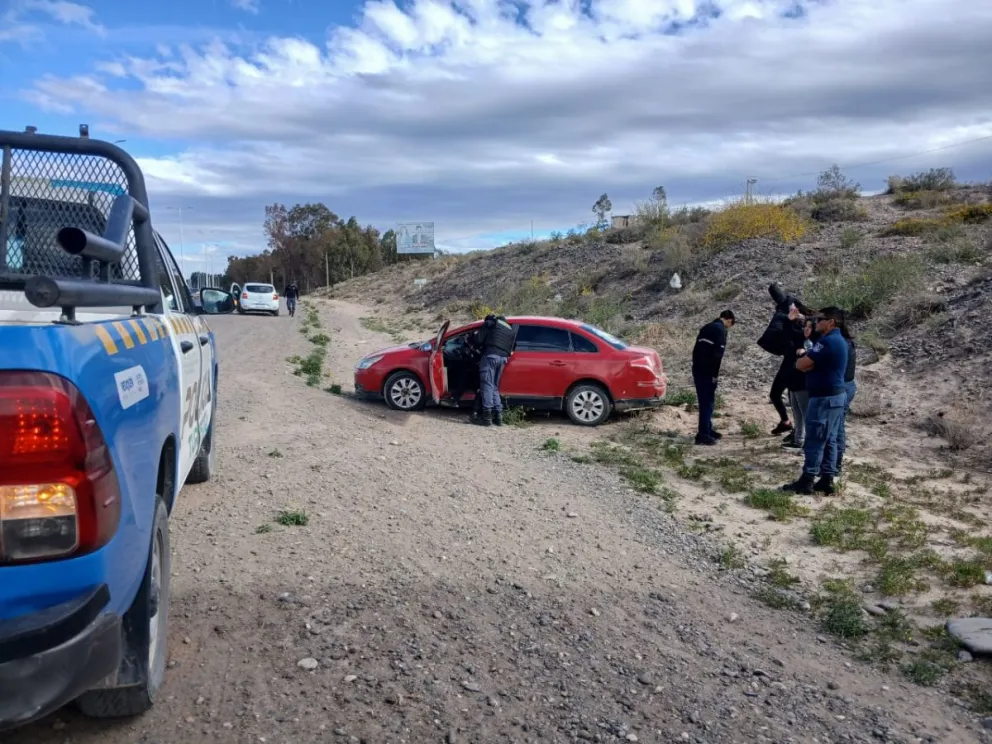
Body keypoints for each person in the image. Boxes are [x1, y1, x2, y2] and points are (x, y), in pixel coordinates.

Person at [781, 306, 849, 495]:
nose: (816, 322)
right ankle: (826, 479)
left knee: (815, 439)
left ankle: (807, 480)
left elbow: (801, 364)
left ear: (831, 322)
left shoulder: (827, 342)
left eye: (820, 319)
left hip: (824, 398)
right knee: (830, 439)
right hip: (834, 396)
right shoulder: (837, 340)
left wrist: (807, 362)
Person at [760, 284, 811, 437]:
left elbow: (775, 337)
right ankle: (793, 428)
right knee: (793, 398)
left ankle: (794, 429)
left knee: (787, 397)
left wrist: (789, 321)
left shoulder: (787, 317)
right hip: (797, 362)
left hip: (794, 363)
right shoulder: (798, 315)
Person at [691, 310, 736, 445]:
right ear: (728, 320)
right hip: (707, 371)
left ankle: (708, 429)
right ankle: (703, 435)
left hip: (698, 368)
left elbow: (696, 350)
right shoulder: (720, 330)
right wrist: (714, 375)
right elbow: (717, 356)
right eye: (731, 324)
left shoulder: (707, 327)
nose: (729, 327)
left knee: (705, 401)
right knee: (707, 402)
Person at [823, 315, 857, 482]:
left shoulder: (839, 343)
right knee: (838, 427)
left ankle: (833, 467)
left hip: (840, 388)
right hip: (848, 386)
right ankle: (835, 465)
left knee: (835, 429)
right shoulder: (847, 342)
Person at [471, 314, 516, 427]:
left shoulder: (491, 323)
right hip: (503, 359)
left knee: (487, 385)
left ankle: (487, 417)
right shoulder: (510, 330)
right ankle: (499, 416)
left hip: (490, 356)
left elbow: (478, 339)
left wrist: (479, 332)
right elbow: (513, 348)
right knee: (495, 386)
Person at [782, 316, 815, 451]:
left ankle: (808, 443)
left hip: (804, 384)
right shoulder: (800, 340)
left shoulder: (816, 344)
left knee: (806, 413)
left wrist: (804, 353)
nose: (806, 329)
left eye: (810, 326)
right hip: (794, 382)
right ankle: (798, 440)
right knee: (796, 412)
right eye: (805, 326)